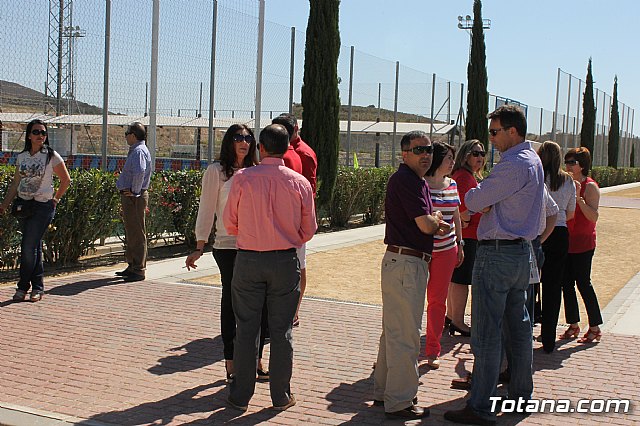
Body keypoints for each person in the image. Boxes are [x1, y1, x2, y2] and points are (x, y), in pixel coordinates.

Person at [444, 105, 544, 425]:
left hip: (498, 253)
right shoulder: (533, 161)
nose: (491, 139)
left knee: (487, 332)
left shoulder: (512, 164)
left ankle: (480, 406)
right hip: (519, 253)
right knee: (519, 329)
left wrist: (483, 199)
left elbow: (473, 201)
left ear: (512, 132)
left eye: (495, 131)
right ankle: (519, 397)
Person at [223, 124, 316, 412]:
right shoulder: (299, 182)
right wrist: (288, 239)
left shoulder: (242, 178)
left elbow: (230, 222)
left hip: (249, 259)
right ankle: (281, 395)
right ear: (287, 147)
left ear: (260, 147)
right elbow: (309, 229)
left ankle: (240, 395)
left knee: (247, 328)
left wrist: (251, 234)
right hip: (285, 261)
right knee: (281, 329)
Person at [185, 124, 271, 383]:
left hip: (256, 246)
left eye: (248, 138)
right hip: (227, 246)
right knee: (231, 304)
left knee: (261, 305)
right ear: (229, 142)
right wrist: (200, 244)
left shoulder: (257, 171)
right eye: (238, 138)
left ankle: (256, 359)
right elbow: (207, 207)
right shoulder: (216, 171)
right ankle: (231, 361)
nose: (244, 142)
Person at [373, 130, 449, 420]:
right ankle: (401, 401)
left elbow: (428, 221)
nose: (426, 155)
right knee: (405, 336)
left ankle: (384, 393)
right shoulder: (407, 180)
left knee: (393, 332)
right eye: (419, 150)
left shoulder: (414, 181)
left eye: (428, 149)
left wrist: (433, 221)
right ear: (405, 154)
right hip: (407, 264)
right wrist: (436, 221)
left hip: (402, 263)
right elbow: (426, 225)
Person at [0, 119, 70, 302]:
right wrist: (5, 204)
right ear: (29, 135)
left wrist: (55, 199)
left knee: (27, 246)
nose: (41, 136)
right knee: (34, 247)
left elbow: (66, 180)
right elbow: (16, 183)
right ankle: (37, 288)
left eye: (43, 133)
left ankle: (23, 287)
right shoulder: (22, 157)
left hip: (43, 207)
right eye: (37, 132)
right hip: (24, 205)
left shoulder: (51, 156)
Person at [272, 113, 318, 327]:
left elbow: (309, 190)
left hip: (295, 222)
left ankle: (294, 311)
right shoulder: (291, 152)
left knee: (299, 265)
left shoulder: (302, 154)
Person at [422, 142, 464, 369]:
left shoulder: (453, 184)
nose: (452, 162)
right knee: (412, 300)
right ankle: (399, 349)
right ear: (438, 159)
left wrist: (460, 243)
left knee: (437, 301)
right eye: (449, 157)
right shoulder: (421, 185)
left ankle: (432, 349)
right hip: (421, 251)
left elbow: (456, 216)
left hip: (447, 250)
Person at [561, 147, 603, 343]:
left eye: (572, 162)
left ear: (582, 165)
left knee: (583, 284)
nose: (568, 165)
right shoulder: (566, 183)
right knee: (566, 285)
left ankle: (594, 327)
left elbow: (593, 216)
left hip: (584, 243)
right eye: (567, 161)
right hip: (567, 242)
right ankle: (573, 325)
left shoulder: (590, 186)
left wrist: (579, 198)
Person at [537, 141, 576, 353]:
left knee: (530, 283)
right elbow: (570, 212)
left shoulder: (537, 177)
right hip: (560, 231)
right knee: (553, 286)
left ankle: (524, 331)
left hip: (538, 229)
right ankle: (549, 338)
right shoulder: (568, 181)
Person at [447, 139, 486, 337]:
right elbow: (460, 205)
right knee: (461, 280)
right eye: (475, 153)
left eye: (482, 153)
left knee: (456, 279)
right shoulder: (463, 176)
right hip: (468, 236)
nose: (480, 157)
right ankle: (458, 321)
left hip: (468, 235)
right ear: (466, 155)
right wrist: (467, 219)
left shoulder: (466, 175)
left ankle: (452, 316)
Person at [115, 122, 152, 282]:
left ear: (133, 135)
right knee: (132, 231)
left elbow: (140, 172)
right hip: (131, 196)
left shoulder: (138, 151)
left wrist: (135, 192)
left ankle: (138, 269)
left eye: (127, 133)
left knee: (137, 232)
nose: (125, 136)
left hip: (134, 197)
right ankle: (132, 265)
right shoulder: (137, 150)